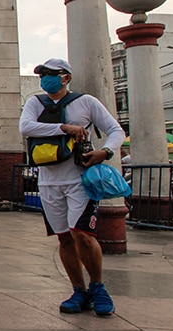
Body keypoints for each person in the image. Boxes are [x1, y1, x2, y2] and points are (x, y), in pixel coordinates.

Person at [19, 58, 124, 317]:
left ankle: (98, 287)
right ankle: (79, 289)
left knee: (83, 235)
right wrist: (63, 127)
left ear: (65, 77)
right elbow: (25, 126)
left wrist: (106, 151)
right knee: (64, 237)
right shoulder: (35, 102)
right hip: (48, 180)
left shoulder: (86, 102)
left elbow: (115, 130)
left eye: (50, 74)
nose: (45, 79)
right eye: (42, 75)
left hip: (79, 180)